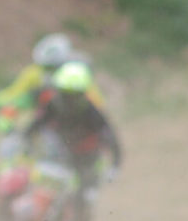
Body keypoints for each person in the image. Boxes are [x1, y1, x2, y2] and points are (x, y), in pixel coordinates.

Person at [22, 61, 122, 189]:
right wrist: (24, 145)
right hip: (56, 156)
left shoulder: (92, 113)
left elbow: (111, 139)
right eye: (65, 94)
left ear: (82, 95)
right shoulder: (52, 106)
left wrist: (114, 166)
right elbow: (33, 128)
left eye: (74, 96)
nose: (69, 100)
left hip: (86, 161)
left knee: (85, 193)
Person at [0, 32, 104, 137]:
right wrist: (6, 113)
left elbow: (96, 103)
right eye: (46, 69)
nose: (49, 73)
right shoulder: (36, 77)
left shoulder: (77, 78)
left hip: (78, 130)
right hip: (47, 125)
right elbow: (18, 96)